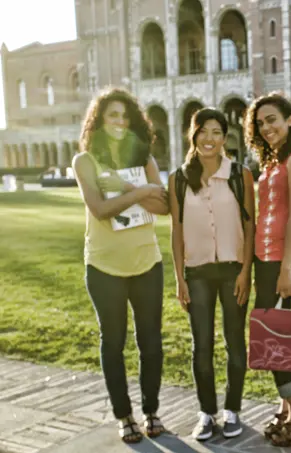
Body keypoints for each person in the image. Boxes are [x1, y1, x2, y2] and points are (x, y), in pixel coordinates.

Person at [72, 87, 169, 443]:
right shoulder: (85, 161)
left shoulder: (144, 158)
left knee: (151, 343)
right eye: (112, 115)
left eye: (125, 116)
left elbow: (164, 206)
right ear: (99, 120)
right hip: (104, 267)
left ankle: (152, 411)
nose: (119, 122)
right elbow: (99, 210)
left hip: (147, 262)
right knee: (113, 342)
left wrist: (133, 188)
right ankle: (124, 416)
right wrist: (142, 191)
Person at [168, 108, 255, 441]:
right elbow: (176, 232)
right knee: (200, 345)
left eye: (217, 132)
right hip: (197, 274)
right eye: (203, 131)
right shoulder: (178, 179)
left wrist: (246, 271)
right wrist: (179, 279)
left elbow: (250, 225)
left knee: (235, 342)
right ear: (193, 135)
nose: (209, 138)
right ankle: (206, 413)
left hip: (233, 270)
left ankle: (232, 410)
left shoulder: (239, 175)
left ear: (225, 137)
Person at [243, 92, 291, 447]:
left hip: (284, 261)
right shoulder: (274, 160)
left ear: (290, 119)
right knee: (273, 337)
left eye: (272, 119)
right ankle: (290, 408)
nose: (266, 127)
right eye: (260, 123)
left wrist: (287, 269)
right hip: (267, 260)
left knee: (270, 339)